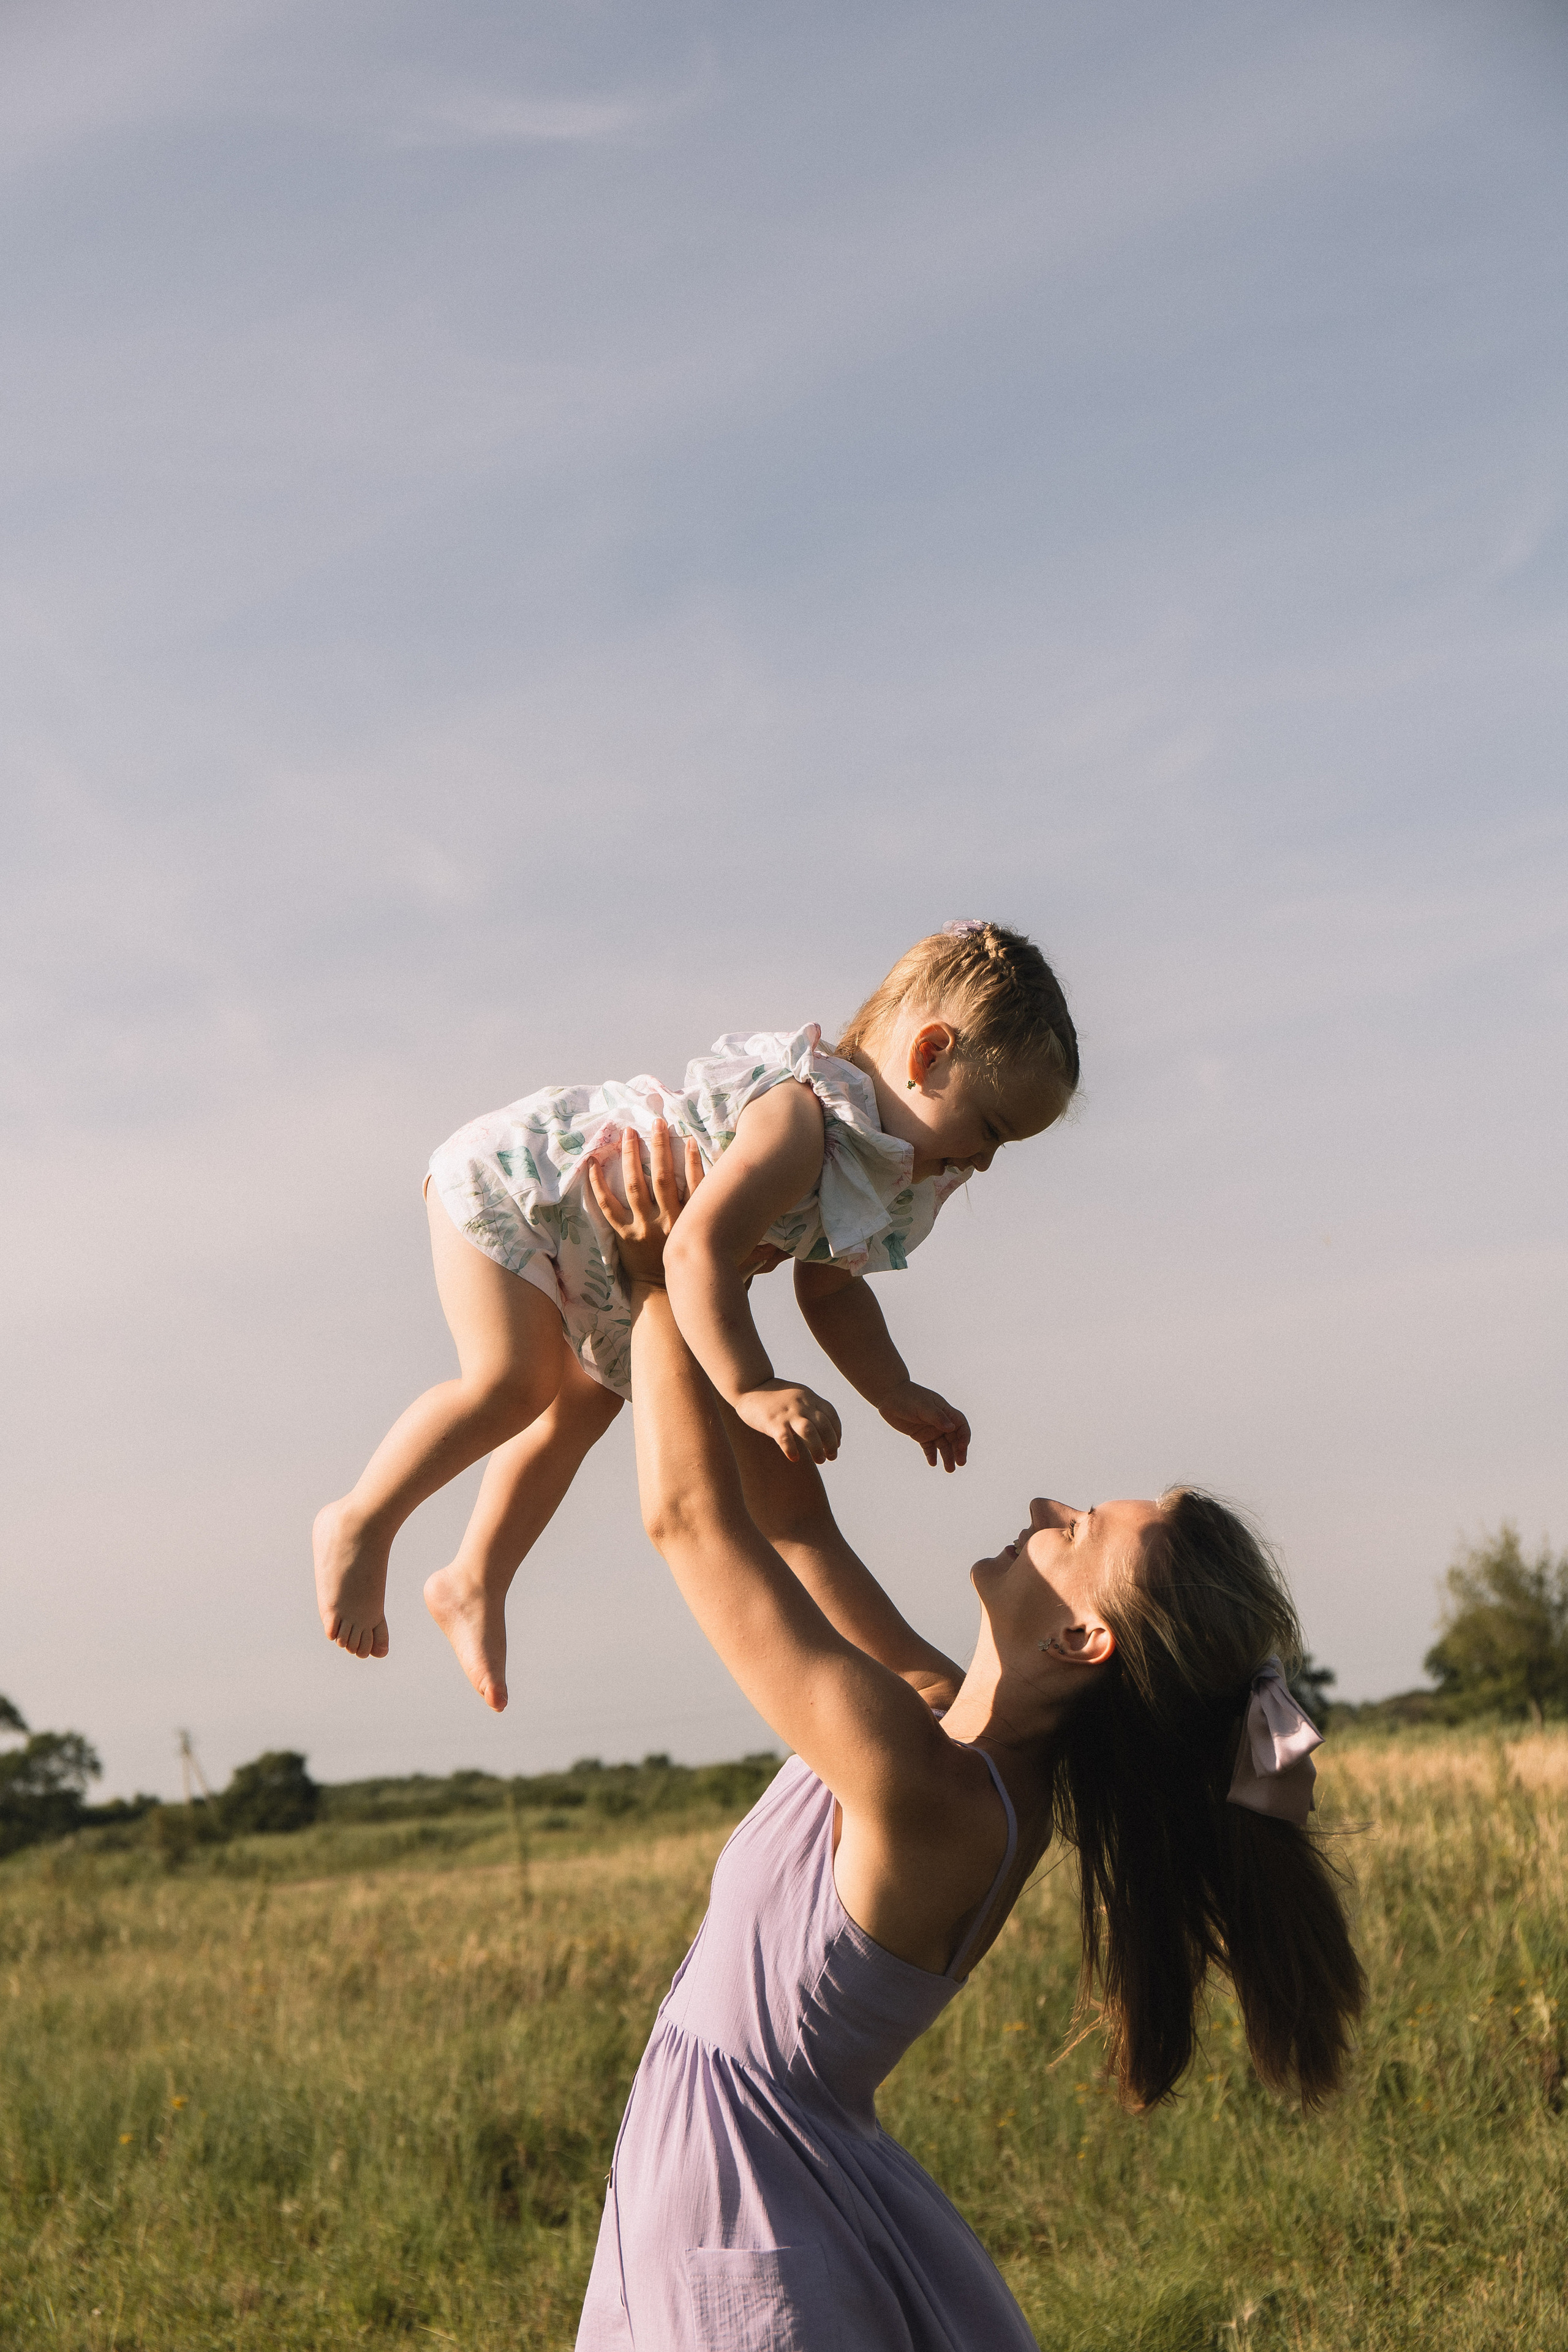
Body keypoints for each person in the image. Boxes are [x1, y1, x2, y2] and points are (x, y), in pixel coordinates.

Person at [575, 1124, 1366, 2351]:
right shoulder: (945, 1729)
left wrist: (649, 1290)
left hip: (745, 2200)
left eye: (1074, 1531)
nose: (1042, 1507)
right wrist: (716, 1278)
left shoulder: (926, 1790)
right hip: (781, 2173)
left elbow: (691, 1524)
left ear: (1084, 1641)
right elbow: (792, 1528)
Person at [313, 920, 1079, 1713]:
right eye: (990, 1128)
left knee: (578, 1410)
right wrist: (751, 1387)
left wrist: (893, 1389)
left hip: (616, 1260)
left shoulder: (897, 1173)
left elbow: (832, 1290)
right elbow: (694, 1251)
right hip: (533, 1184)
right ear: (929, 1055)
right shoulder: (802, 1118)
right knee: (513, 1383)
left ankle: (475, 1577)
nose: (984, 1160)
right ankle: (361, 1519)